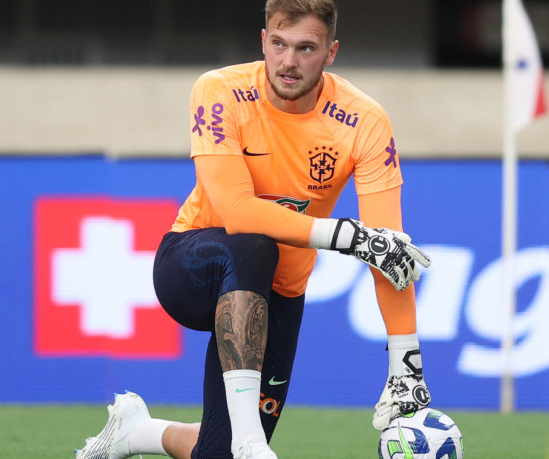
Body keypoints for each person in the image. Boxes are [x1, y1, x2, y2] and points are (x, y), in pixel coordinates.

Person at [76, 0, 432, 457]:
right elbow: (240, 214)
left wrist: (406, 360)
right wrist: (349, 237)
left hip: (280, 292)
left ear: (331, 53)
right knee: (255, 246)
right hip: (192, 266)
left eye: (306, 48)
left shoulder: (365, 120)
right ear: (263, 40)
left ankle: (138, 434)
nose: (288, 61)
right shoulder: (219, 89)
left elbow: (391, 253)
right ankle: (249, 441)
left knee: (216, 453)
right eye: (279, 44)